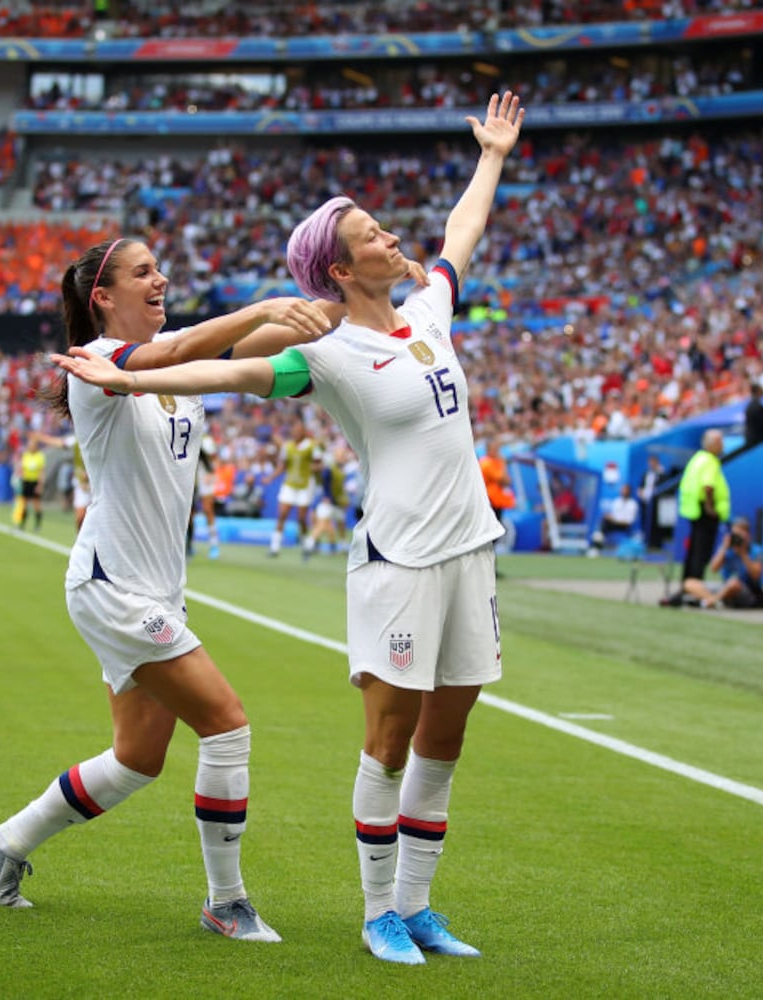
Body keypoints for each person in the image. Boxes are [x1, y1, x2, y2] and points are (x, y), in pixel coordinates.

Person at [52, 91, 525, 965]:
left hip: (470, 550)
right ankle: (378, 911)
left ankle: (419, 906)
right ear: (339, 272)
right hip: (399, 556)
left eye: (384, 229)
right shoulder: (331, 351)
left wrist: (491, 155)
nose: (392, 238)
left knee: (447, 737)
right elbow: (238, 375)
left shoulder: (430, 311)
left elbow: (461, 235)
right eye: (372, 236)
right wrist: (124, 383)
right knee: (388, 742)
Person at [0, 236, 342, 942]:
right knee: (226, 725)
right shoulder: (98, 364)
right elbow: (174, 354)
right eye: (143, 272)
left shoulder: (177, 352)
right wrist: (264, 305)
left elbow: (244, 346)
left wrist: (332, 309)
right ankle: (224, 903)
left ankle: (5, 842)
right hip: (115, 588)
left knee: (137, 758)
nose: (161, 278)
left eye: (158, 268)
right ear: (102, 298)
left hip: (154, 590)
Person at [664, 429, 729, 607]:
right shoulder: (710, 461)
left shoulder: (697, 459)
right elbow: (708, 486)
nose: (723, 445)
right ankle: (694, 590)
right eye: (721, 441)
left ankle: (688, 587)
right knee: (701, 554)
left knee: (694, 553)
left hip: (694, 512)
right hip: (704, 513)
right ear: (713, 444)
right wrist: (710, 507)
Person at [684, 515, 763, 609]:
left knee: (734, 583)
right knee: (689, 583)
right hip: (725, 588)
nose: (737, 538)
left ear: (748, 535)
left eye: (740, 534)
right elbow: (713, 568)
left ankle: (712, 600)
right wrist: (724, 547)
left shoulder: (757, 551)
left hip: (747, 590)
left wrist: (743, 553)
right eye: (735, 534)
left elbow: (756, 575)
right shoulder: (727, 549)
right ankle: (712, 600)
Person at [269, 417, 319, 558]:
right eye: (295, 430)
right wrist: (271, 477)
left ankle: (304, 544)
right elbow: (283, 465)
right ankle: (274, 548)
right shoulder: (287, 446)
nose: (297, 432)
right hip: (289, 484)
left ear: (304, 432)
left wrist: (312, 467)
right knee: (282, 514)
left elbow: (319, 464)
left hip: (305, 485)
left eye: (299, 430)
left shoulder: (311, 446)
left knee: (301, 518)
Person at [479, 438, 516, 555]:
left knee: (496, 534)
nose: (497, 452)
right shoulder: (487, 463)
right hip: (490, 501)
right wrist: (503, 464)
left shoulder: (495, 462)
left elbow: (508, 481)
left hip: (497, 502)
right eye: (495, 449)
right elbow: (502, 479)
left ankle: (492, 564)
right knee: (491, 534)